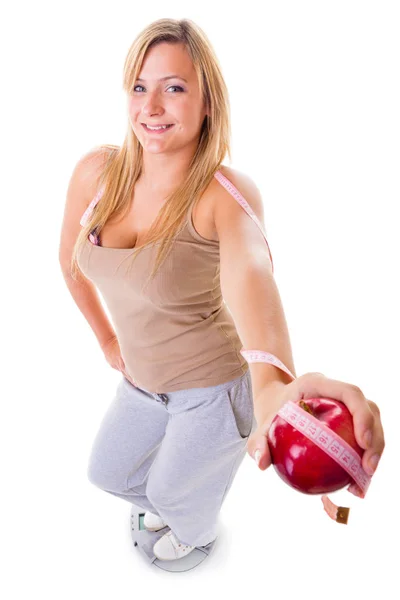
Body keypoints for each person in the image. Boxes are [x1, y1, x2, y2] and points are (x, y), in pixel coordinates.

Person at [59, 18, 385, 561]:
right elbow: (69, 263)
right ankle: (184, 497)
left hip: (212, 388)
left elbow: (250, 275)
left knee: (168, 493)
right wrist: (108, 344)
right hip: (142, 382)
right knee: (106, 472)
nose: (152, 106)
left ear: (208, 102)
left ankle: (198, 532)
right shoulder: (97, 174)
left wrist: (272, 388)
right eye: (140, 87)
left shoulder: (224, 197)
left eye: (175, 88)